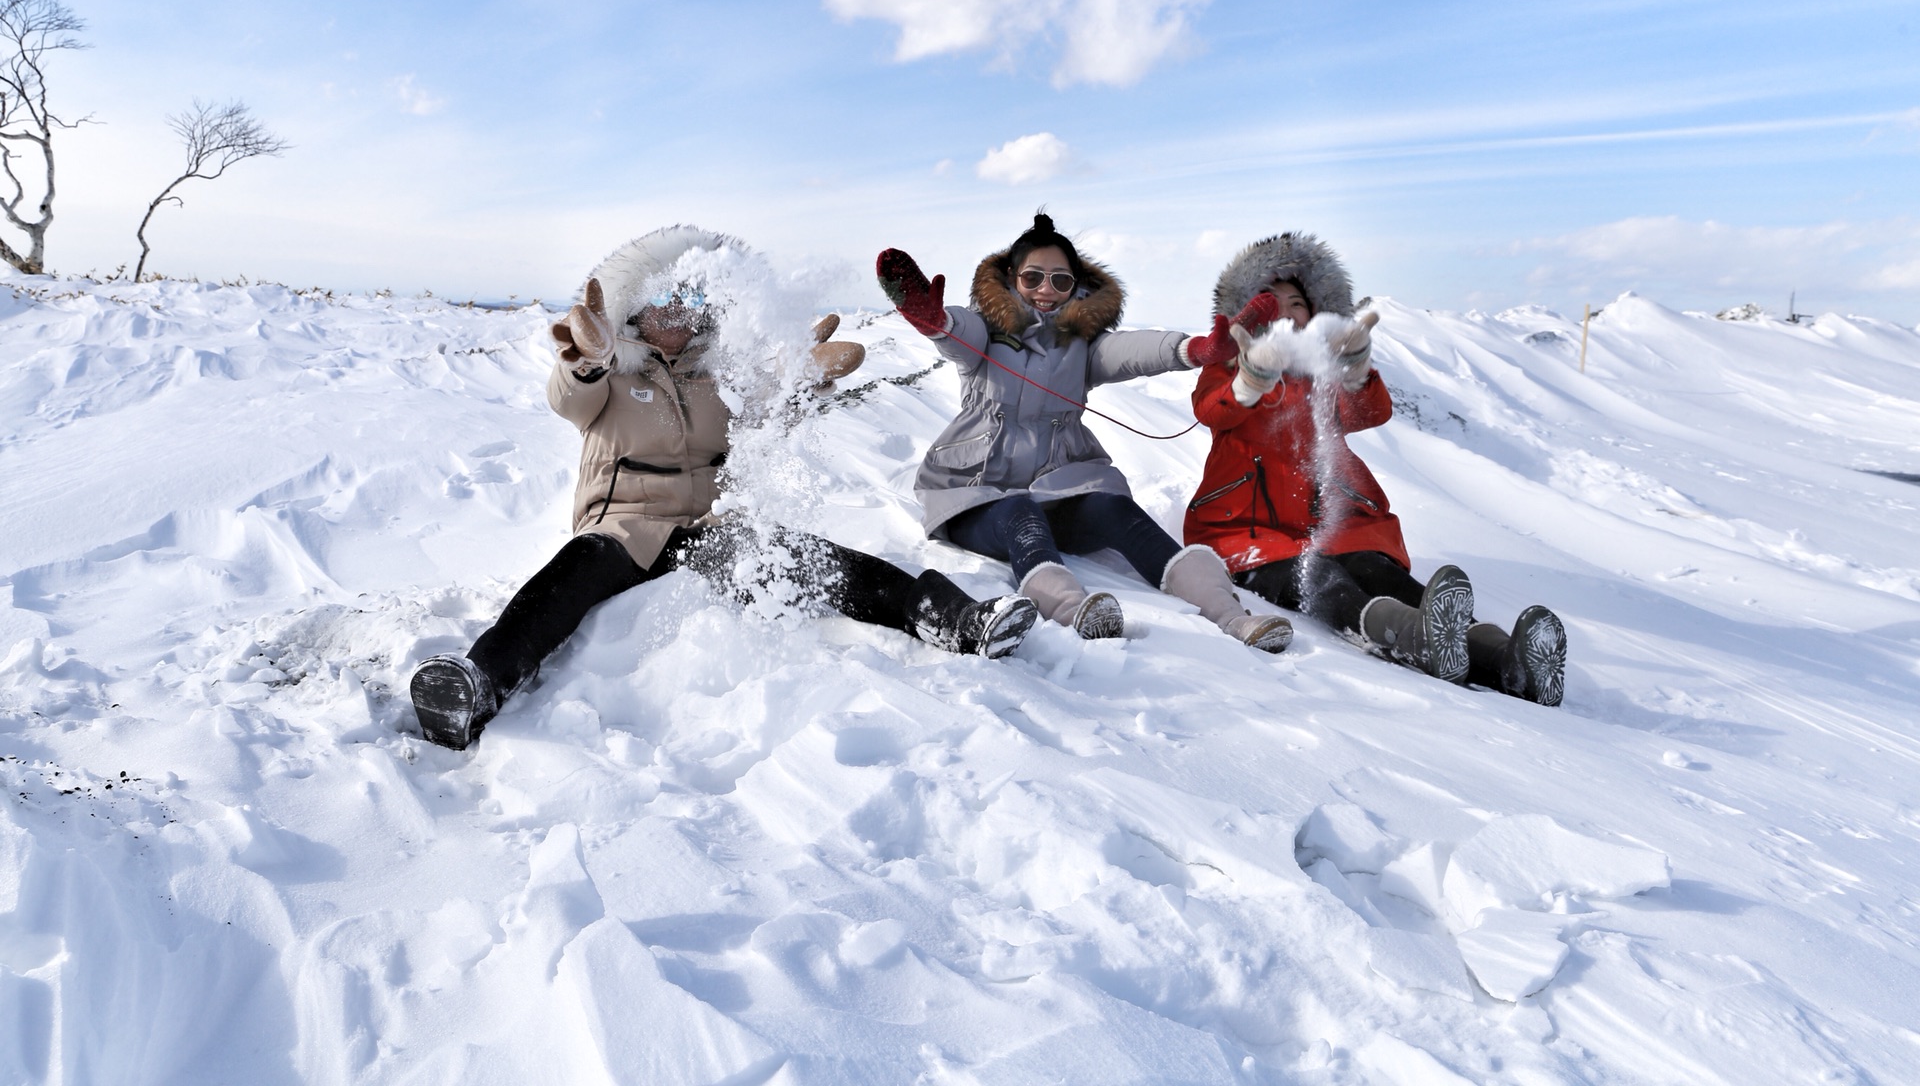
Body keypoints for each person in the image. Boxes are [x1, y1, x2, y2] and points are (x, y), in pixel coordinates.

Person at [410, 226, 1040, 750]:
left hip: (706, 532)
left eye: (696, 294)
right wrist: (587, 358)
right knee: (566, 580)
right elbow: (568, 396)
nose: (686, 307)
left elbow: (767, 419)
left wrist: (802, 379)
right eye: (672, 295)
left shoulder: (721, 373)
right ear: (640, 304)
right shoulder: (610, 369)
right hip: (622, 526)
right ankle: (478, 682)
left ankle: (959, 621)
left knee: (816, 560)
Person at [875, 212, 1293, 651]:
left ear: (1077, 286)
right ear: (1011, 279)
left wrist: (1199, 349)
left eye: (1060, 280)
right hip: (975, 493)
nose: (1046, 290)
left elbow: (1130, 351)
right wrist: (933, 319)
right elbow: (961, 334)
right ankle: (1076, 611)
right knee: (1020, 513)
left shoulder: (1081, 344)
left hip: (1055, 489)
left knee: (1116, 513)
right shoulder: (988, 332)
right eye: (1033, 277)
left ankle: (1231, 616)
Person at [1185, 231, 1566, 705]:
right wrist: (1250, 379)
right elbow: (1214, 411)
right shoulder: (1228, 368)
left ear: (1317, 312)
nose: (1285, 310)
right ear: (1248, 312)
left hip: (1336, 523)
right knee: (1322, 581)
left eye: (1297, 302)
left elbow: (1370, 412)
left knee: (1386, 576)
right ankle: (1410, 637)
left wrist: (1356, 368)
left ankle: (1508, 659)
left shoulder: (1324, 372)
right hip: (1250, 533)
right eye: (1268, 300)